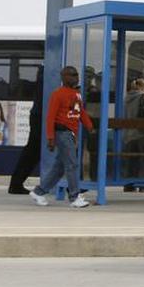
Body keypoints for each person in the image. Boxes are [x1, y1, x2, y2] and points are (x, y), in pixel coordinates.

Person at [29, 66, 94, 208]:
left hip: (71, 133)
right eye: (72, 75)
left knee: (60, 167)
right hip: (62, 132)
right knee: (72, 164)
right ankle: (74, 197)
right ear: (64, 77)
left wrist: (89, 125)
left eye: (76, 75)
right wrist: (50, 138)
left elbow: (80, 111)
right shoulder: (57, 94)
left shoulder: (77, 94)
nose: (75, 78)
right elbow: (50, 117)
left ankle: (39, 192)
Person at [8, 67, 43, 195]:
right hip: (40, 116)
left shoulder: (44, 72)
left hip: (38, 115)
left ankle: (16, 183)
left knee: (33, 151)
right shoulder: (47, 74)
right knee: (33, 151)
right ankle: (16, 183)